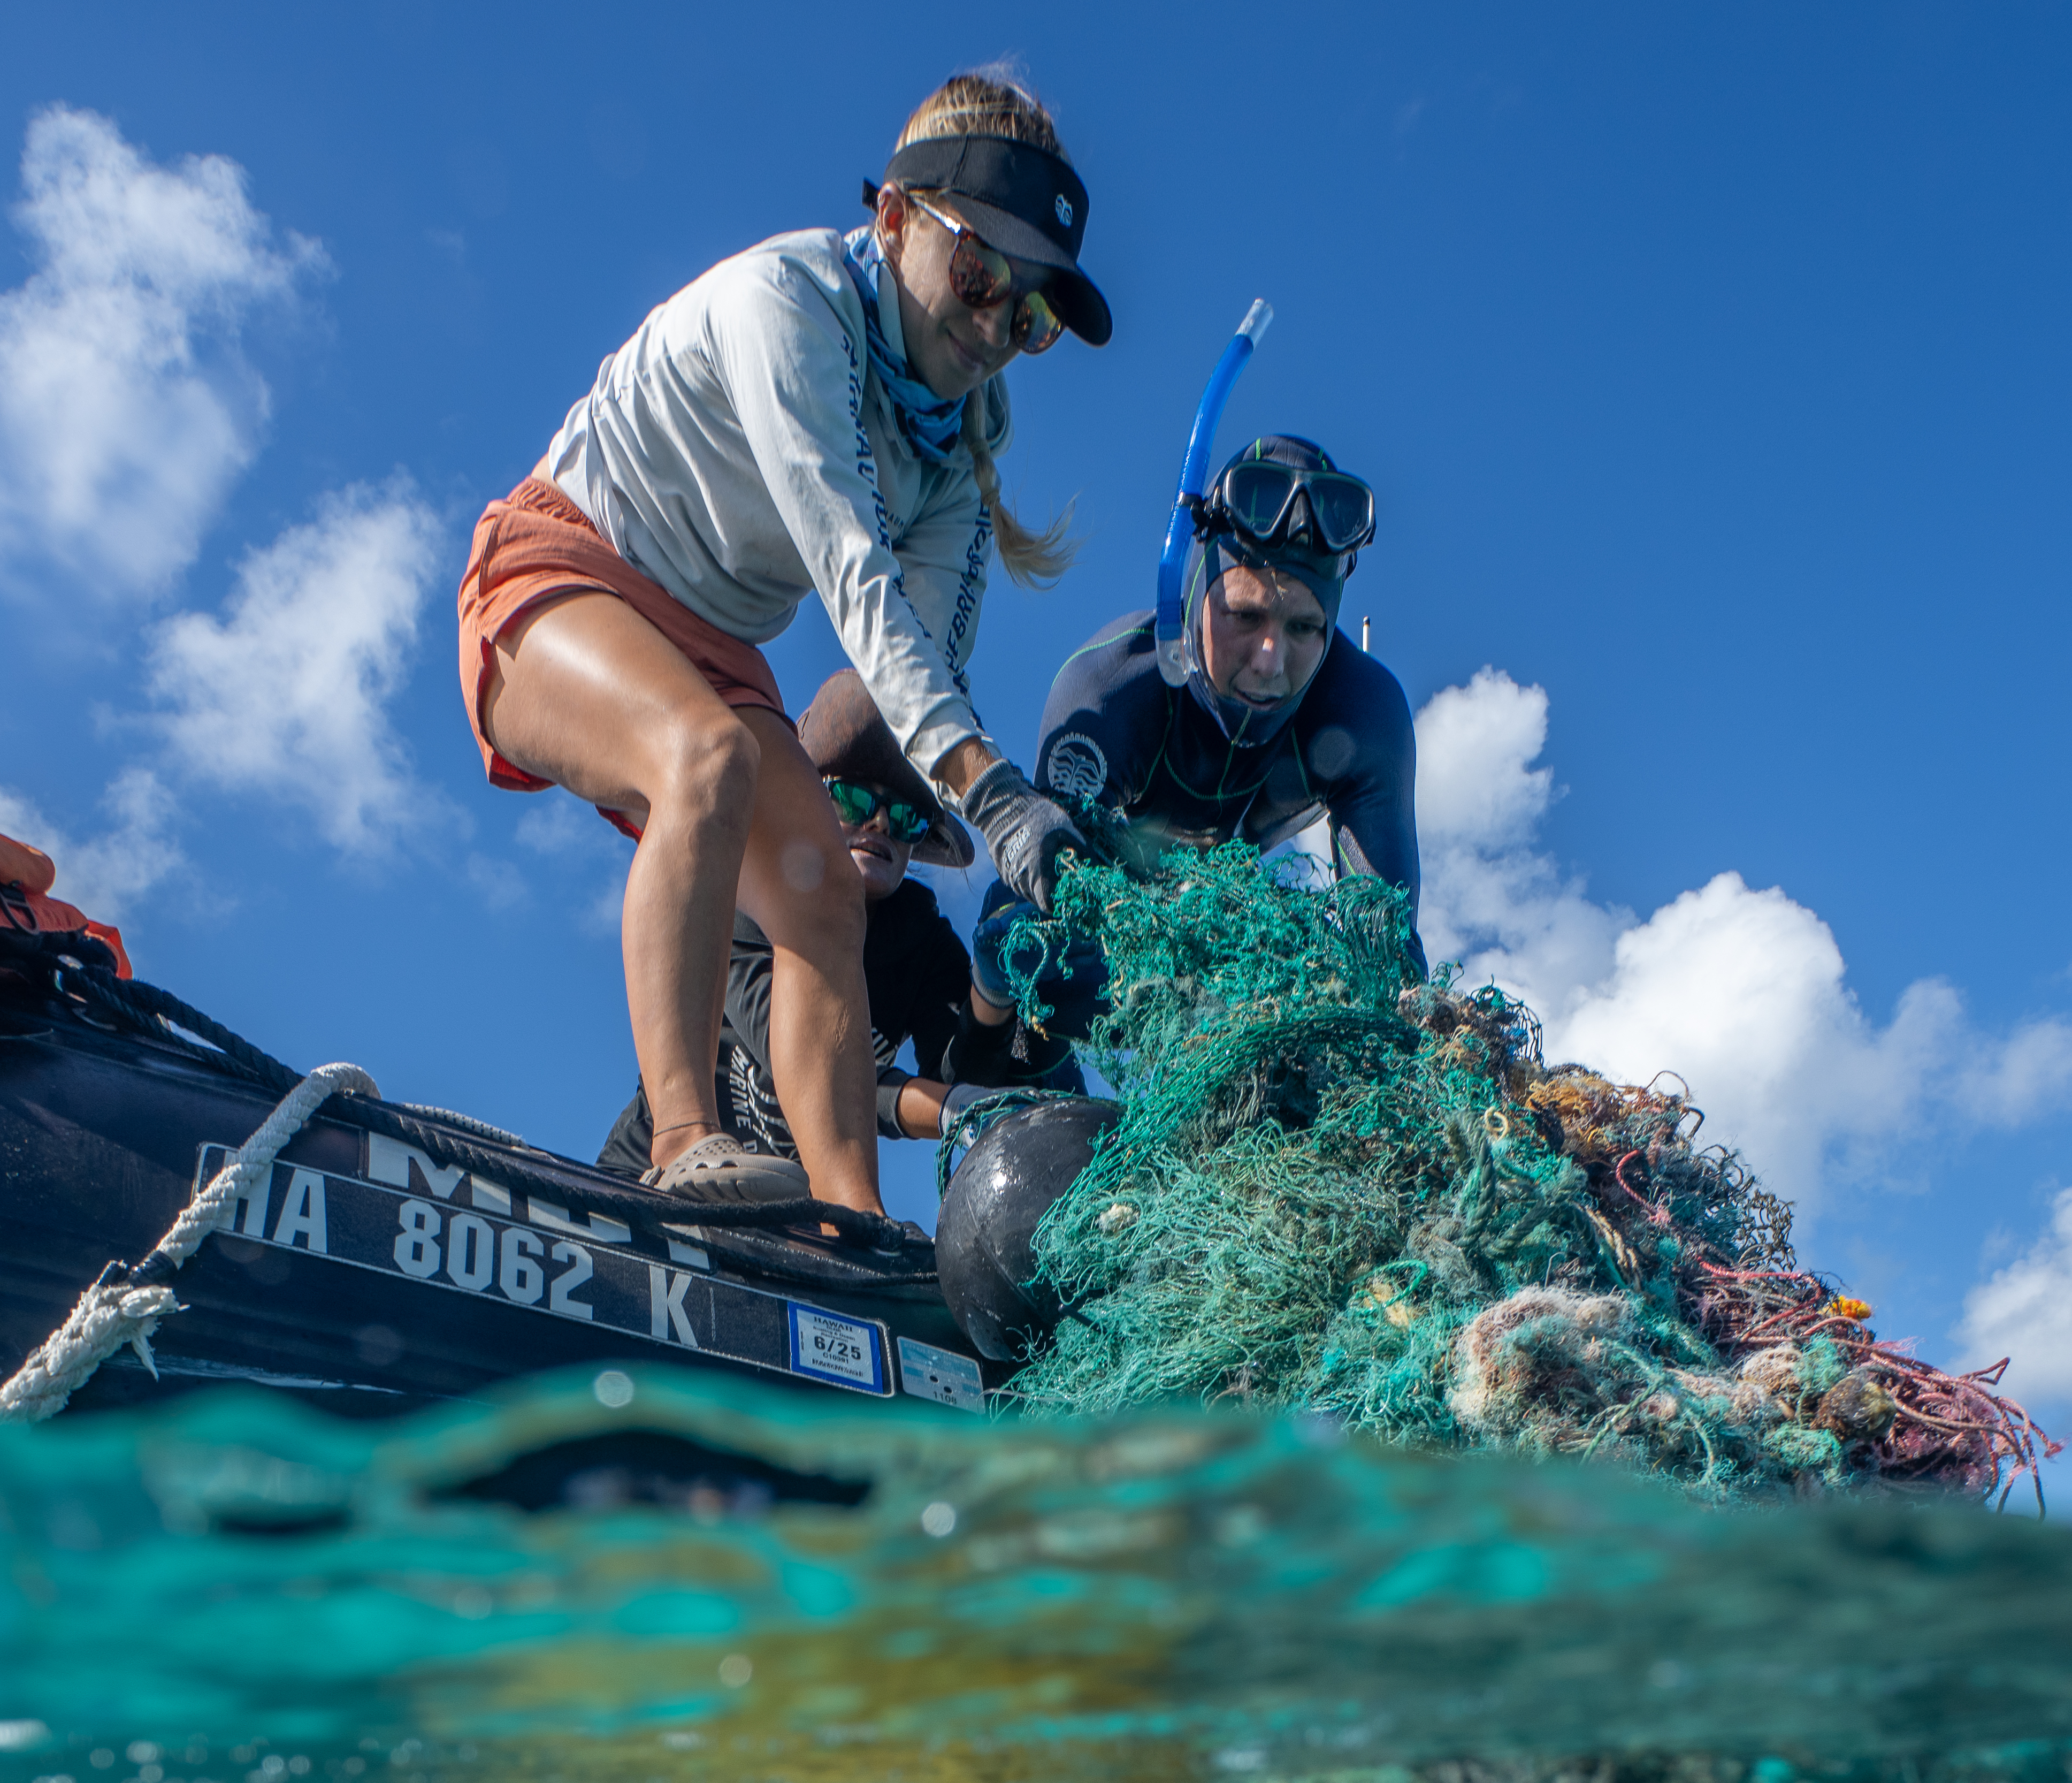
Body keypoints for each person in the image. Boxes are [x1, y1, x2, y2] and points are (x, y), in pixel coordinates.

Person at [450, 72, 1111, 1214]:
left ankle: (849, 1227)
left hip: (713, 652)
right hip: (556, 573)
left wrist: (1020, 869)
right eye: (980, 275)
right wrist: (997, 804)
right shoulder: (787, 303)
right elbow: (853, 572)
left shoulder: (960, 439)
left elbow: (921, 666)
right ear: (896, 219)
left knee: (821, 894)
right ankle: (683, 1140)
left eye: (1032, 313)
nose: (997, 328)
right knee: (707, 759)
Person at [980, 433, 1412, 1048]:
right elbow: (1038, 937)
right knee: (1016, 966)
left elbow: (1387, 954)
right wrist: (1209, 1009)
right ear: (1190, 596)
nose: (1270, 661)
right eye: (1245, 616)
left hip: (1221, 948)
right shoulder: (1111, 691)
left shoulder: (1363, 711)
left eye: (1304, 627)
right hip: (1075, 936)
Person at [595, 672, 1070, 1183]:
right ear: (805, 802)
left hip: (785, 1213)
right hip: (648, 1183)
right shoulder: (742, 894)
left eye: (908, 817)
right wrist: (951, 1109)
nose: (881, 825)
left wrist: (989, 995)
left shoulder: (922, 939)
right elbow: (817, 1068)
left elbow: (958, 1073)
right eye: (855, 801)